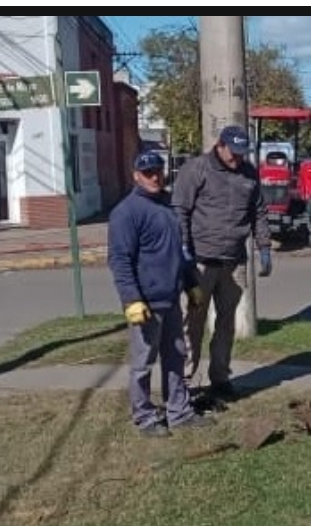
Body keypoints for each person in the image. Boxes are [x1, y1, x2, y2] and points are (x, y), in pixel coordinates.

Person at [107, 151, 214, 437]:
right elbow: (119, 260)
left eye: (157, 171)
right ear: (136, 176)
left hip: (171, 298)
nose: (155, 177)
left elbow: (180, 251)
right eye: (148, 173)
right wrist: (131, 299)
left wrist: (191, 282)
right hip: (146, 303)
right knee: (143, 364)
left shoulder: (168, 205)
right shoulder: (126, 213)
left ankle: (178, 412)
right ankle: (144, 416)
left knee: (176, 356)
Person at [172, 125, 273, 399]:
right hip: (200, 262)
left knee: (226, 323)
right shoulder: (197, 169)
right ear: (221, 145)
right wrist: (183, 247)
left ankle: (220, 378)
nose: (238, 159)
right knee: (192, 322)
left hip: (233, 261)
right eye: (234, 153)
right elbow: (180, 209)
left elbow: (259, 212)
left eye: (242, 153)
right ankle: (184, 383)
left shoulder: (249, 174)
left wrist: (264, 245)